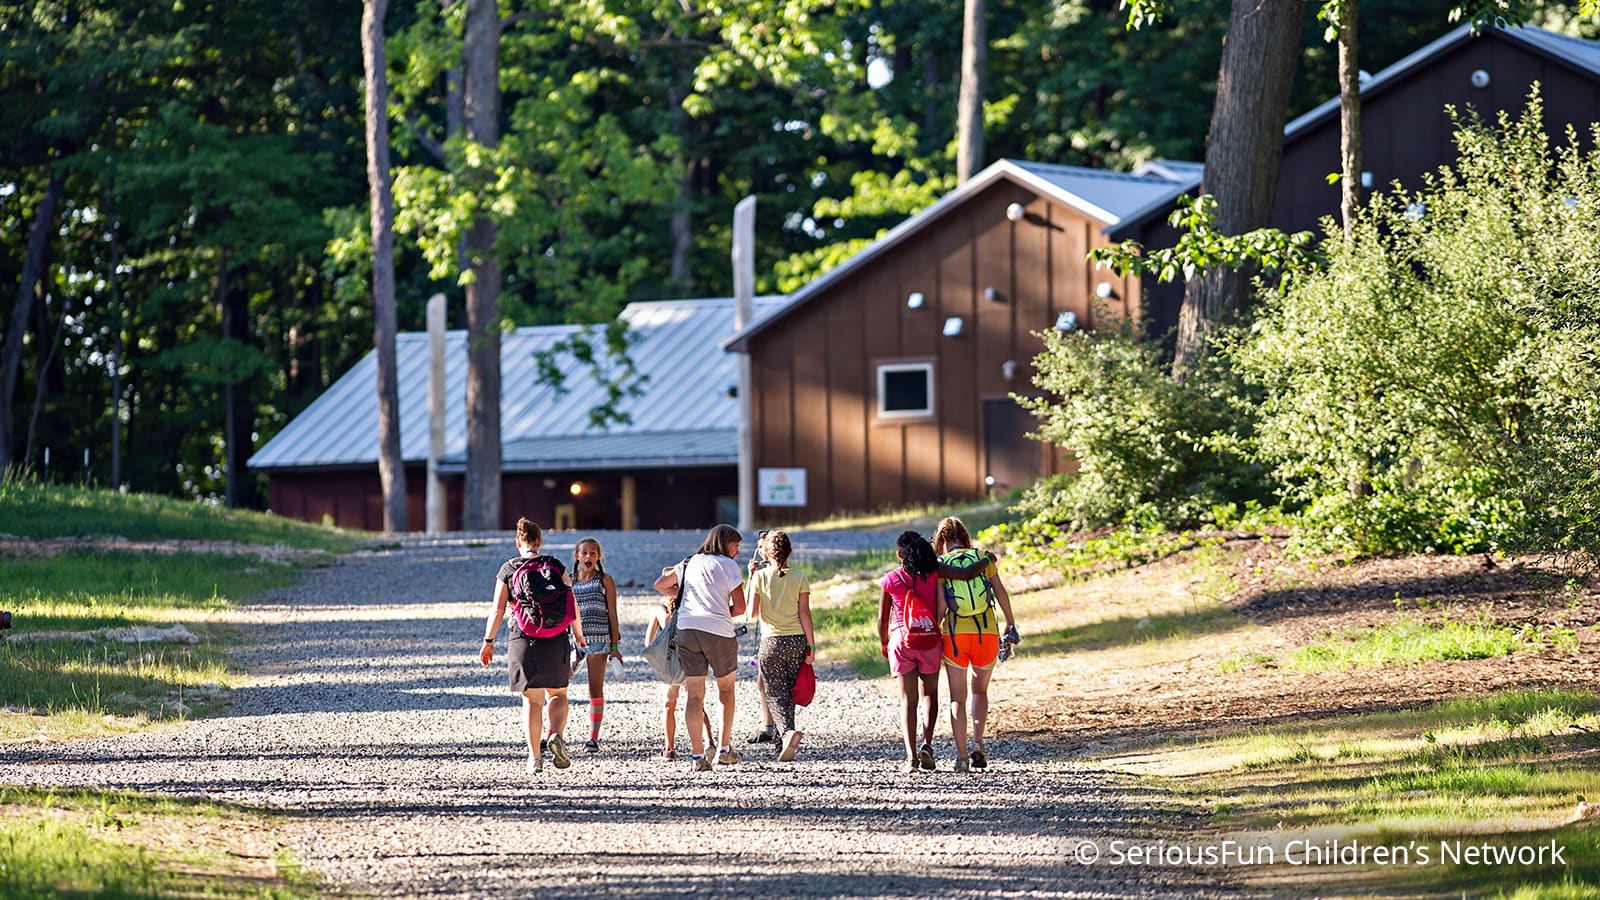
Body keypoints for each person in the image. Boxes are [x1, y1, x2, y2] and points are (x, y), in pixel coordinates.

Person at [878, 531, 993, 773]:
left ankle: (911, 758)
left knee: (908, 700)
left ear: (899, 554)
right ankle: (927, 744)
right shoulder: (934, 572)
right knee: (930, 694)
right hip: (930, 640)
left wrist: (884, 642)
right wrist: (987, 559)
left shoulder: (890, 579)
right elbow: (967, 573)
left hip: (902, 640)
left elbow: (882, 619)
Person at [479, 518, 586, 774]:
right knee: (558, 694)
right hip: (557, 636)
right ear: (540, 542)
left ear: (518, 542)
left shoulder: (509, 568)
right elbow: (572, 604)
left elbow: (497, 610)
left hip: (523, 637)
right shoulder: (555, 565)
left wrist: (488, 641)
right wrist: (579, 636)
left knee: (532, 701)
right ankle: (556, 734)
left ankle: (534, 758)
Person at [652, 524, 747, 772]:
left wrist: (682, 593)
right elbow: (740, 608)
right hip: (719, 632)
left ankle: (696, 756)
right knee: (725, 690)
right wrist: (717, 609)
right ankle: (724, 749)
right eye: (735, 547)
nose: (737, 552)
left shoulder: (687, 562)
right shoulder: (728, 565)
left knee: (694, 695)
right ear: (725, 543)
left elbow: (660, 585)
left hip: (688, 630)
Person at [933, 516, 1016, 773]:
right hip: (987, 633)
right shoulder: (984, 558)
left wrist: (934, 629)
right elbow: (1000, 592)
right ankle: (978, 743)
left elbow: (943, 605)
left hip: (955, 636)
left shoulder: (940, 564)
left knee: (958, 697)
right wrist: (1010, 623)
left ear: (942, 540)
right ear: (965, 537)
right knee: (980, 691)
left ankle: (961, 758)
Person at [745, 530, 813, 762]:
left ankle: (786, 734)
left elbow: (751, 613)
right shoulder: (801, 576)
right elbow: (805, 614)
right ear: (790, 552)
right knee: (788, 692)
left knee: (775, 693)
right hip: (796, 640)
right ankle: (783, 743)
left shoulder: (760, 577)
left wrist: (750, 579)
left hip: (771, 641)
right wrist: (811, 646)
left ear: (767, 552)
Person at [571, 537, 622, 753]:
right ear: (577, 556)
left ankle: (593, 737)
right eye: (584, 553)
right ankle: (553, 734)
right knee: (558, 684)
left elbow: (612, 612)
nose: (588, 557)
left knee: (595, 688)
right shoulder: (570, 582)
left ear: (598, 556)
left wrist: (615, 646)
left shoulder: (605, 581)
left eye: (592, 553)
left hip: (599, 639)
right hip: (573, 640)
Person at [644, 598, 712, 760]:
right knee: (697, 703)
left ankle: (669, 749)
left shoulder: (659, 612)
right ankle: (710, 741)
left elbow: (649, 642)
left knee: (669, 705)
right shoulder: (693, 609)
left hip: (672, 665)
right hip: (692, 663)